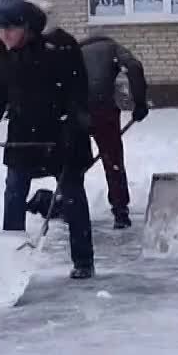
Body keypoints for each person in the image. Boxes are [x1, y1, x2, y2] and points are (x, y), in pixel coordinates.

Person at [0, 0, 97, 280]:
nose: (5, 35)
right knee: (14, 191)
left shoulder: (60, 45)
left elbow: (78, 93)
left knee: (72, 193)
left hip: (62, 132)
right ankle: (11, 259)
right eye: (0, 29)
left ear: (26, 27)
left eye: (11, 29)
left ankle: (83, 260)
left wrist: (76, 126)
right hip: (23, 133)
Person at [78, 34, 149, 229]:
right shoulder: (113, 48)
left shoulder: (74, 50)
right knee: (113, 160)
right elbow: (134, 67)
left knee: (74, 162)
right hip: (104, 111)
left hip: (77, 111)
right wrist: (140, 102)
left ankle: (71, 206)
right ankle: (120, 211)